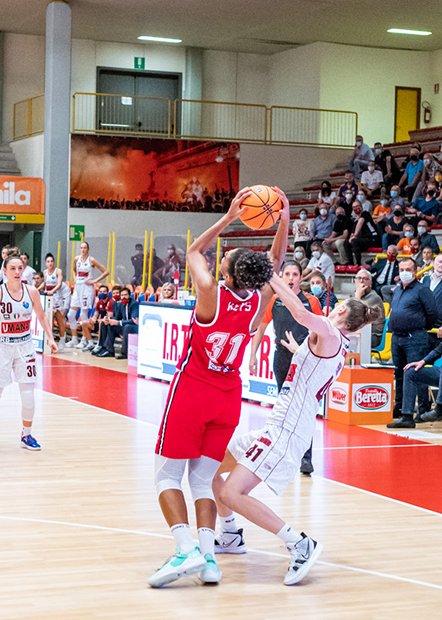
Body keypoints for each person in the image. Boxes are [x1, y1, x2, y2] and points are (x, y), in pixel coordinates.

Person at [146, 186, 287, 588]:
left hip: (193, 390)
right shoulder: (259, 300)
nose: (218, 257)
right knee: (202, 480)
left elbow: (193, 252)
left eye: (222, 260)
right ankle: (209, 558)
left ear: (225, 275)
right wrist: (284, 216)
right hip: (229, 397)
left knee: (166, 476)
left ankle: (184, 548)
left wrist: (227, 217)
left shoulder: (211, 295)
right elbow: (274, 261)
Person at [215, 276, 380, 586]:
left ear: (342, 310)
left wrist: (273, 277)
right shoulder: (331, 341)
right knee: (209, 465)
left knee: (230, 492)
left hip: (287, 431)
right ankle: (229, 537)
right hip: (279, 423)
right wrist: (297, 349)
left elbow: (302, 315)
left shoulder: (330, 332)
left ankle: (299, 543)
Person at [0, 255, 58, 450]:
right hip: (2, 347)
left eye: (20, 268)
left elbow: (42, 316)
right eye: (13, 268)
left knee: (28, 394)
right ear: (5, 271)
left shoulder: (32, 292)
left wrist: (51, 338)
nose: (17, 272)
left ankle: (26, 435)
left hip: (25, 347)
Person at [247, 261, 323, 475]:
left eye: (295, 274)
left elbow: (320, 331)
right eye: (287, 274)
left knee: (305, 409)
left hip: (305, 359)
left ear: (301, 277)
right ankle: (284, 454)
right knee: (285, 408)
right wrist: (252, 355)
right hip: (281, 358)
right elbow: (261, 328)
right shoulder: (274, 301)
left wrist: (312, 352)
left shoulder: (311, 302)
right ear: (281, 276)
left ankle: (306, 458)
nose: (291, 278)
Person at [386, 257, 440, 428]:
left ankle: (422, 409)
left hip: (414, 337)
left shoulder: (422, 290)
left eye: (408, 269)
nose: (404, 273)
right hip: (397, 337)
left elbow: (432, 313)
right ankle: (401, 407)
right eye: (401, 269)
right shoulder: (397, 290)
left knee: (417, 373)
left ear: (415, 271)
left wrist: (419, 326)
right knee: (400, 373)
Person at [67, 240, 109, 350]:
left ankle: (84, 340)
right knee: (71, 314)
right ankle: (74, 339)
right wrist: (75, 277)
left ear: (88, 249)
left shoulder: (92, 260)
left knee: (83, 313)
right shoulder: (76, 259)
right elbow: (74, 270)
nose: (83, 249)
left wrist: (94, 280)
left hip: (87, 288)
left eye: (85, 248)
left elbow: (106, 272)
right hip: (78, 287)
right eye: (81, 248)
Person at [95, 287, 138, 359]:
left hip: (134, 327)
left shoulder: (134, 304)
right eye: (122, 295)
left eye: (125, 295)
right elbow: (117, 317)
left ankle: (124, 353)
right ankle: (108, 350)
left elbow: (133, 320)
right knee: (107, 324)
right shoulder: (121, 304)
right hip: (124, 326)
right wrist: (109, 320)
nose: (124, 297)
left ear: (129, 296)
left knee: (127, 326)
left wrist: (118, 322)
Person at [42, 254, 70, 350]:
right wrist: (36, 289)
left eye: (52, 261)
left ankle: (62, 340)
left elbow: (59, 283)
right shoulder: (45, 272)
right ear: (46, 263)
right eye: (48, 261)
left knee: (60, 319)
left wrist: (52, 291)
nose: (50, 263)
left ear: (54, 262)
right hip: (49, 299)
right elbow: (44, 283)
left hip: (58, 296)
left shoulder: (58, 271)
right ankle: (51, 339)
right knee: (49, 320)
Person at [353, 270, 385, 349]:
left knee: (349, 339)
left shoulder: (374, 297)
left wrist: (357, 296)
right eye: (359, 278)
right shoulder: (357, 295)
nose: (361, 281)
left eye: (365, 279)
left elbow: (355, 312)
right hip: (361, 331)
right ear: (355, 282)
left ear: (370, 283)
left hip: (374, 335)